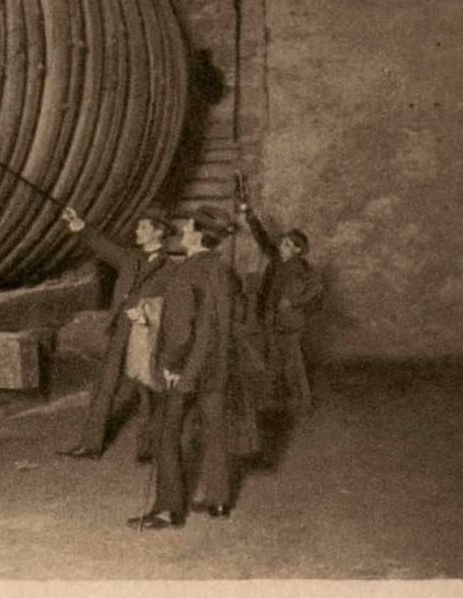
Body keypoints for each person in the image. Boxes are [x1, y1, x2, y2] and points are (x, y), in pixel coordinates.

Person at [129, 207, 238, 529]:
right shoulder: (222, 270)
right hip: (217, 365)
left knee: (168, 432)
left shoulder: (185, 273)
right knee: (215, 431)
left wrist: (172, 365)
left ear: (197, 235)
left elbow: (181, 330)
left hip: (187, 368)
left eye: (188, 226)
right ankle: (219, 501)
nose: (182, 230)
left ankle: (167, 509)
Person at [56, 207, 179, 462]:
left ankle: (148, 448)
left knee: (146, 390)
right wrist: (80, 226)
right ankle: (91, 445)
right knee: (105, 385)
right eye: (138, 227)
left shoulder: (171, 268)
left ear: (159, 232)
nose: (138, 231)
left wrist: (146, 315)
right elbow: (103, 246)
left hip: (146, 333)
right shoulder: (129, 258)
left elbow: (171, 305)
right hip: (122, 328)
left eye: (144, 227)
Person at [236, 198, 325, 417]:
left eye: (286, 244)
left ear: (297, 250)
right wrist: (250, 216)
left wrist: (294, 302)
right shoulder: (276, 260)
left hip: (290, 325)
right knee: (272, 362)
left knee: (293, 367)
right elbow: (263, 239)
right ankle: (272, 404)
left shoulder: (302, 268)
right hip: (271, 321)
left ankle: (302, 407)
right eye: (282, 243)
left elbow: (317, 288)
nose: (281, 246)